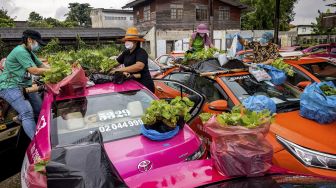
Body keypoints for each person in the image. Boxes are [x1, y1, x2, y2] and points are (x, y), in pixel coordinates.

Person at [0, 29, 50, 139]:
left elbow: (42, 66)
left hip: (22, 85)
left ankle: (21, 118)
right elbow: (34, 70)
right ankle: (37, 143)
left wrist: (60, 70)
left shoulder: (29, 53)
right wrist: (51, 71)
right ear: (29, 40)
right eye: (37, 42)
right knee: (27, 112)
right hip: (9, 86)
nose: (38, 46)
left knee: (40, 109)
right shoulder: (20, 51)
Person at [111, 27, 155, 92]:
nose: (127, 42)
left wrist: (118, 70)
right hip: (132, 85)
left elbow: (139, 66)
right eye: (126, 40)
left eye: (130, 40)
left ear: (136, 41)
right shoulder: (126, 52)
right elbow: (115, 63)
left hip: (144, 86)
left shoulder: (141, 52)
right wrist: (104, 68)